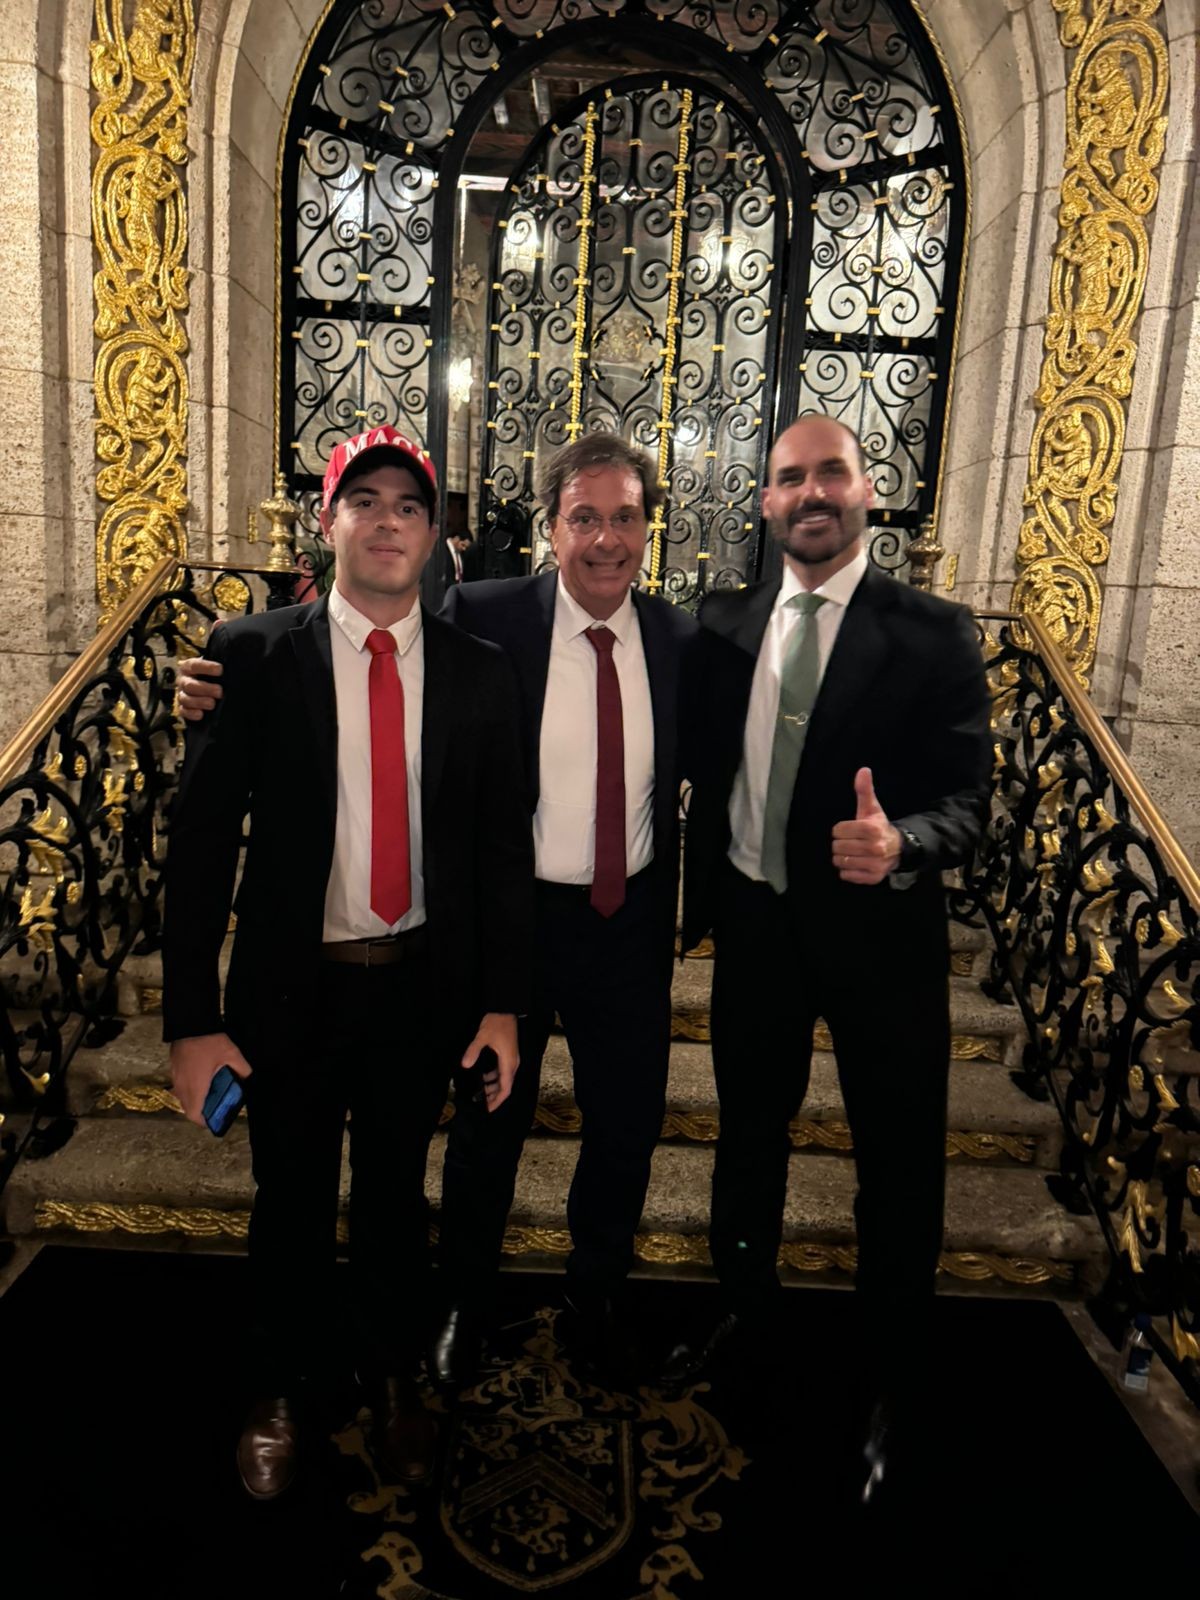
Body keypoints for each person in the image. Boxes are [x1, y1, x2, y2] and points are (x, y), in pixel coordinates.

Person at [162, 424, 534, 1501]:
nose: (386, 521)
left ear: (435, 537)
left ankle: (392, 1375)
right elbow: (200, 847)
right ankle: (280, 1384)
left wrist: (504, 1004)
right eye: (363, 500)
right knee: (287, 1195)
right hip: (292, 988)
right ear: (325, 524)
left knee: (393, 1200)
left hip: (419, 985)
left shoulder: (479, 672)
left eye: (409, 506)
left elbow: (500, 852)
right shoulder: (249, 656)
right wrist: (190, 1020)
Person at [672, 414, 992, 1499]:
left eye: (832, 472)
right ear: (765, 501)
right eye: (790, 477)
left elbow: (972, 801)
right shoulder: (720, 624)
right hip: (757, 931)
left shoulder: (934, 632)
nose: (811, 492)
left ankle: (888, 1373)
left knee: (896, 1167)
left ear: (866, 491)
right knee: (747, 1145)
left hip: (881, 943)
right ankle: (744, 1317)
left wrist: (905, 841)